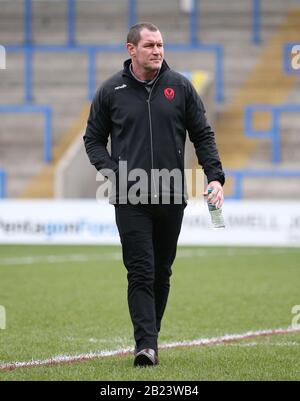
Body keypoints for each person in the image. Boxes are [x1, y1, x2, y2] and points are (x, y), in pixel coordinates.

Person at [83, 22, 225, 367]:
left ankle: (151, 337)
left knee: (162, 271)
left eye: (160, 44)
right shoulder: (110, 91)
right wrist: (115, 173)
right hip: (130, 199)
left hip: (172, 195)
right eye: (149, 45)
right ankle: (145, 346)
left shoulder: (181, 87)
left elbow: (202, 135)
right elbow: (93, 140)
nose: (157, 51)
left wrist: (215, 177)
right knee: (141, 271)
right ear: (131, 49)